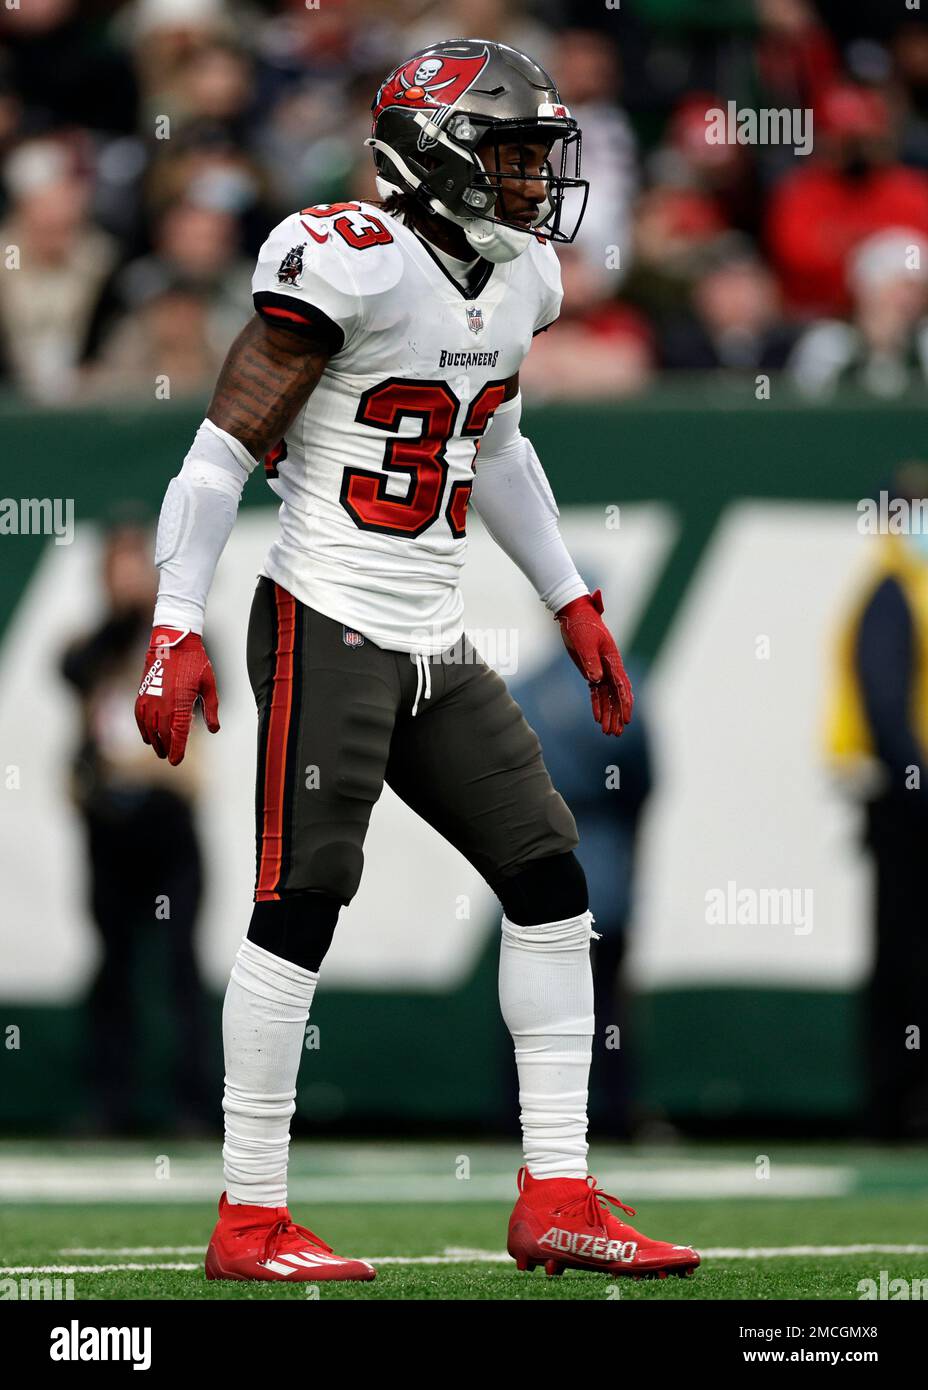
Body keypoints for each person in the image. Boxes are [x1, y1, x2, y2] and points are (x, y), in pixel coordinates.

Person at [134, 38, 700, 1283]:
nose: (529, 180)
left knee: (550, 879)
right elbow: (220, 453)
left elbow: (489, 440)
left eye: (533, 156)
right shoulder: (351, 261)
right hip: (326, 617)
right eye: (507, 153)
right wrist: (175, 623)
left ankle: (555, 1191)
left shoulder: (519, 282)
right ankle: (249, 1213)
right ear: (436, 157)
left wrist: (571, 598)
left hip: (436, 638)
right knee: (301, 902)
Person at [61, 518, 211, 1134]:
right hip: (110, 833)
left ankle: (194, 1106)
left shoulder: (184, 641)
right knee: (111, 967)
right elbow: (77, 671)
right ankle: (109, 1102)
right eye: (117, 567)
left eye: (137, 566)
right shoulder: (89, 647)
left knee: (179, 967)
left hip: (168, 827)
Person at [825, 465, 928, 1140]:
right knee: (907, 958)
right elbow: (888, 713)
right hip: (906, 806)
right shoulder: (893, 592)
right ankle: (895, 1108)